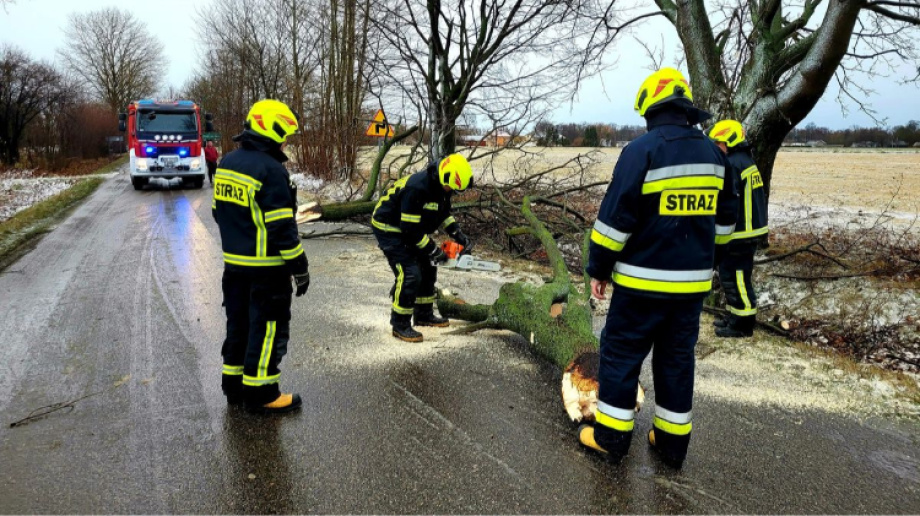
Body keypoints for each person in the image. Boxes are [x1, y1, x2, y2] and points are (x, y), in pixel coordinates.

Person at [578, 68, 739, 467]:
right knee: (676, 362)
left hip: (640, 287)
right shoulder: (715, 156)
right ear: (685, 108)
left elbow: (614, 222)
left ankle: (611, 439)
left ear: (651, 109)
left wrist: (599, 268)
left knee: (620, 355)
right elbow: (725, 226)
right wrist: (706, 264)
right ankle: (670, 445)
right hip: (690, 291)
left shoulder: (641, 151)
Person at [211, 99, 310, 414]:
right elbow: (282, 229)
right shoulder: (271, 170)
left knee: (238, 326)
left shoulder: (227, 162)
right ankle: (262, 394)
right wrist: (300, 267)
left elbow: (217, 212)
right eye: (284, 135)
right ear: (272, 131)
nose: (285, 142)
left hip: (234, 268)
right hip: (267, 271)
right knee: (267, 330)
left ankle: (234, 388)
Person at [371, 154, 473, 342]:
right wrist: (433, 249)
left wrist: (457, 233)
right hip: (389, 227)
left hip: (410, 227)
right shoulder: (417, 188)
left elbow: (443, 213)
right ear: (446, 177)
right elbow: (410, 231)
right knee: (410, 272)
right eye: (452, 188)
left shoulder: (442, 187)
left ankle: (424, 315)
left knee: (428, 267)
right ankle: (400, 324)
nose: (452, 192)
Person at [708, 120, 769, 338]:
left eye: (719, 143)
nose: (716, 148)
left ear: (730, 141)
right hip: (745, 231)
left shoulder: (733, 164)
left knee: (739, 280)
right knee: (729, 277)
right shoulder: (744, 160)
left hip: (741, 233)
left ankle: (743, 325)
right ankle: (734, 317)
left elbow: (728, 200)